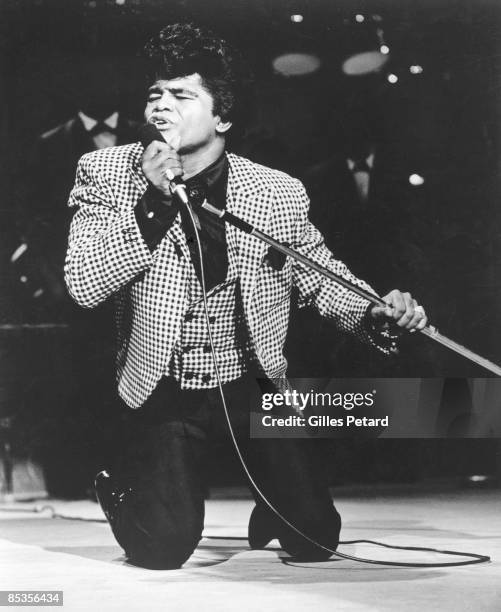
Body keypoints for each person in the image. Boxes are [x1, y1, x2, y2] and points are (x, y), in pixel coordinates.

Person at [64, 23, 428, 569]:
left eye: (181, 94)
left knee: (316, 541)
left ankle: (276, 502)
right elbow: (83, 283)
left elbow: (321, 276)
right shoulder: (108, 172)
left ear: (223, 117)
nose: (160, 105)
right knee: (161, 548)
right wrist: (154, 205)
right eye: (153, 93)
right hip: (165, 383)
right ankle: (121, 489)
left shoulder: (274, 190)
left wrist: (375, 311)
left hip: (251, 382)